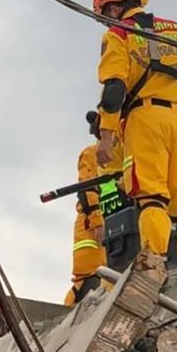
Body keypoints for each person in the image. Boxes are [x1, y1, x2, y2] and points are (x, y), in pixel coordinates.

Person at [92, 0, 177, 263]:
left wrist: (107, 134)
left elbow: (114, 87)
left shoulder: (118, 34)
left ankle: (153, 268)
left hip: (146, 119)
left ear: (112, 8)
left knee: (152, 198)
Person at [65, 111, 108, 306]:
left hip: (115, 222)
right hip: (91, 225)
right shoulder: (92, 153)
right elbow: (86, 187)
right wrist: (97, 220)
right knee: (89, 278)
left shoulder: (124, 152)